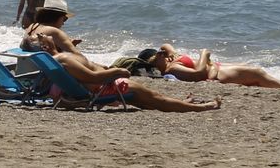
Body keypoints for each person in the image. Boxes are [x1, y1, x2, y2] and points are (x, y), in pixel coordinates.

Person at [39, 31, 220, 113]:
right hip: (104, 88)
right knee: (157, 99)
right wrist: (118, 71)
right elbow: (92, 77)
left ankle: (182, 103)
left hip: (101, 87)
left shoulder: (59, 58)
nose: (44, 34)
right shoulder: (65, 59)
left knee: (148, 100)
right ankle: (200, 107)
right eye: (46, 37)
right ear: (47, 45)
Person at [115, 44, 280, 90]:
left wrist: (166, 52)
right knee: (258, 74)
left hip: (215, 67)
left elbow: (167, 44)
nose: (162, 55)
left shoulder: (171, 59)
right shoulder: (171, 69)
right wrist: (204, 54)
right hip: (214, 73)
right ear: (153, 62)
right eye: (157, 56)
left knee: (251, 70)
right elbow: (199, 73)